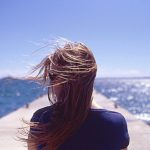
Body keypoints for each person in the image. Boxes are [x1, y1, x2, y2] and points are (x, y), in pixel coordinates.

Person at [27, 41, 130, 150]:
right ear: (91, 77)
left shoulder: (41, 118)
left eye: (53, 76)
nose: (51, 83)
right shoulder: (115, 123)